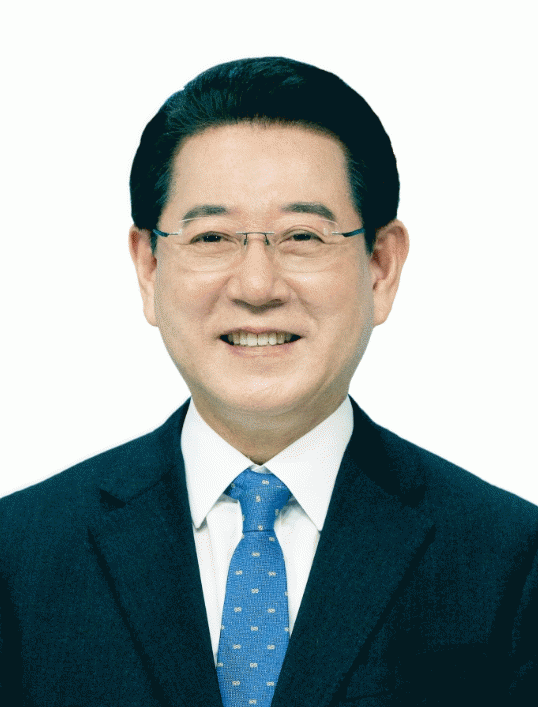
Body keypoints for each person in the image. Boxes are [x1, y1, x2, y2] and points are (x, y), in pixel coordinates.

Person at [0, 57, 536, 706]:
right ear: (149, 267)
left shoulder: (511, 562)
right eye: (211, 237)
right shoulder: (19, 555)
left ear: (380, 267)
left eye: (303, 235)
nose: (257, 286)